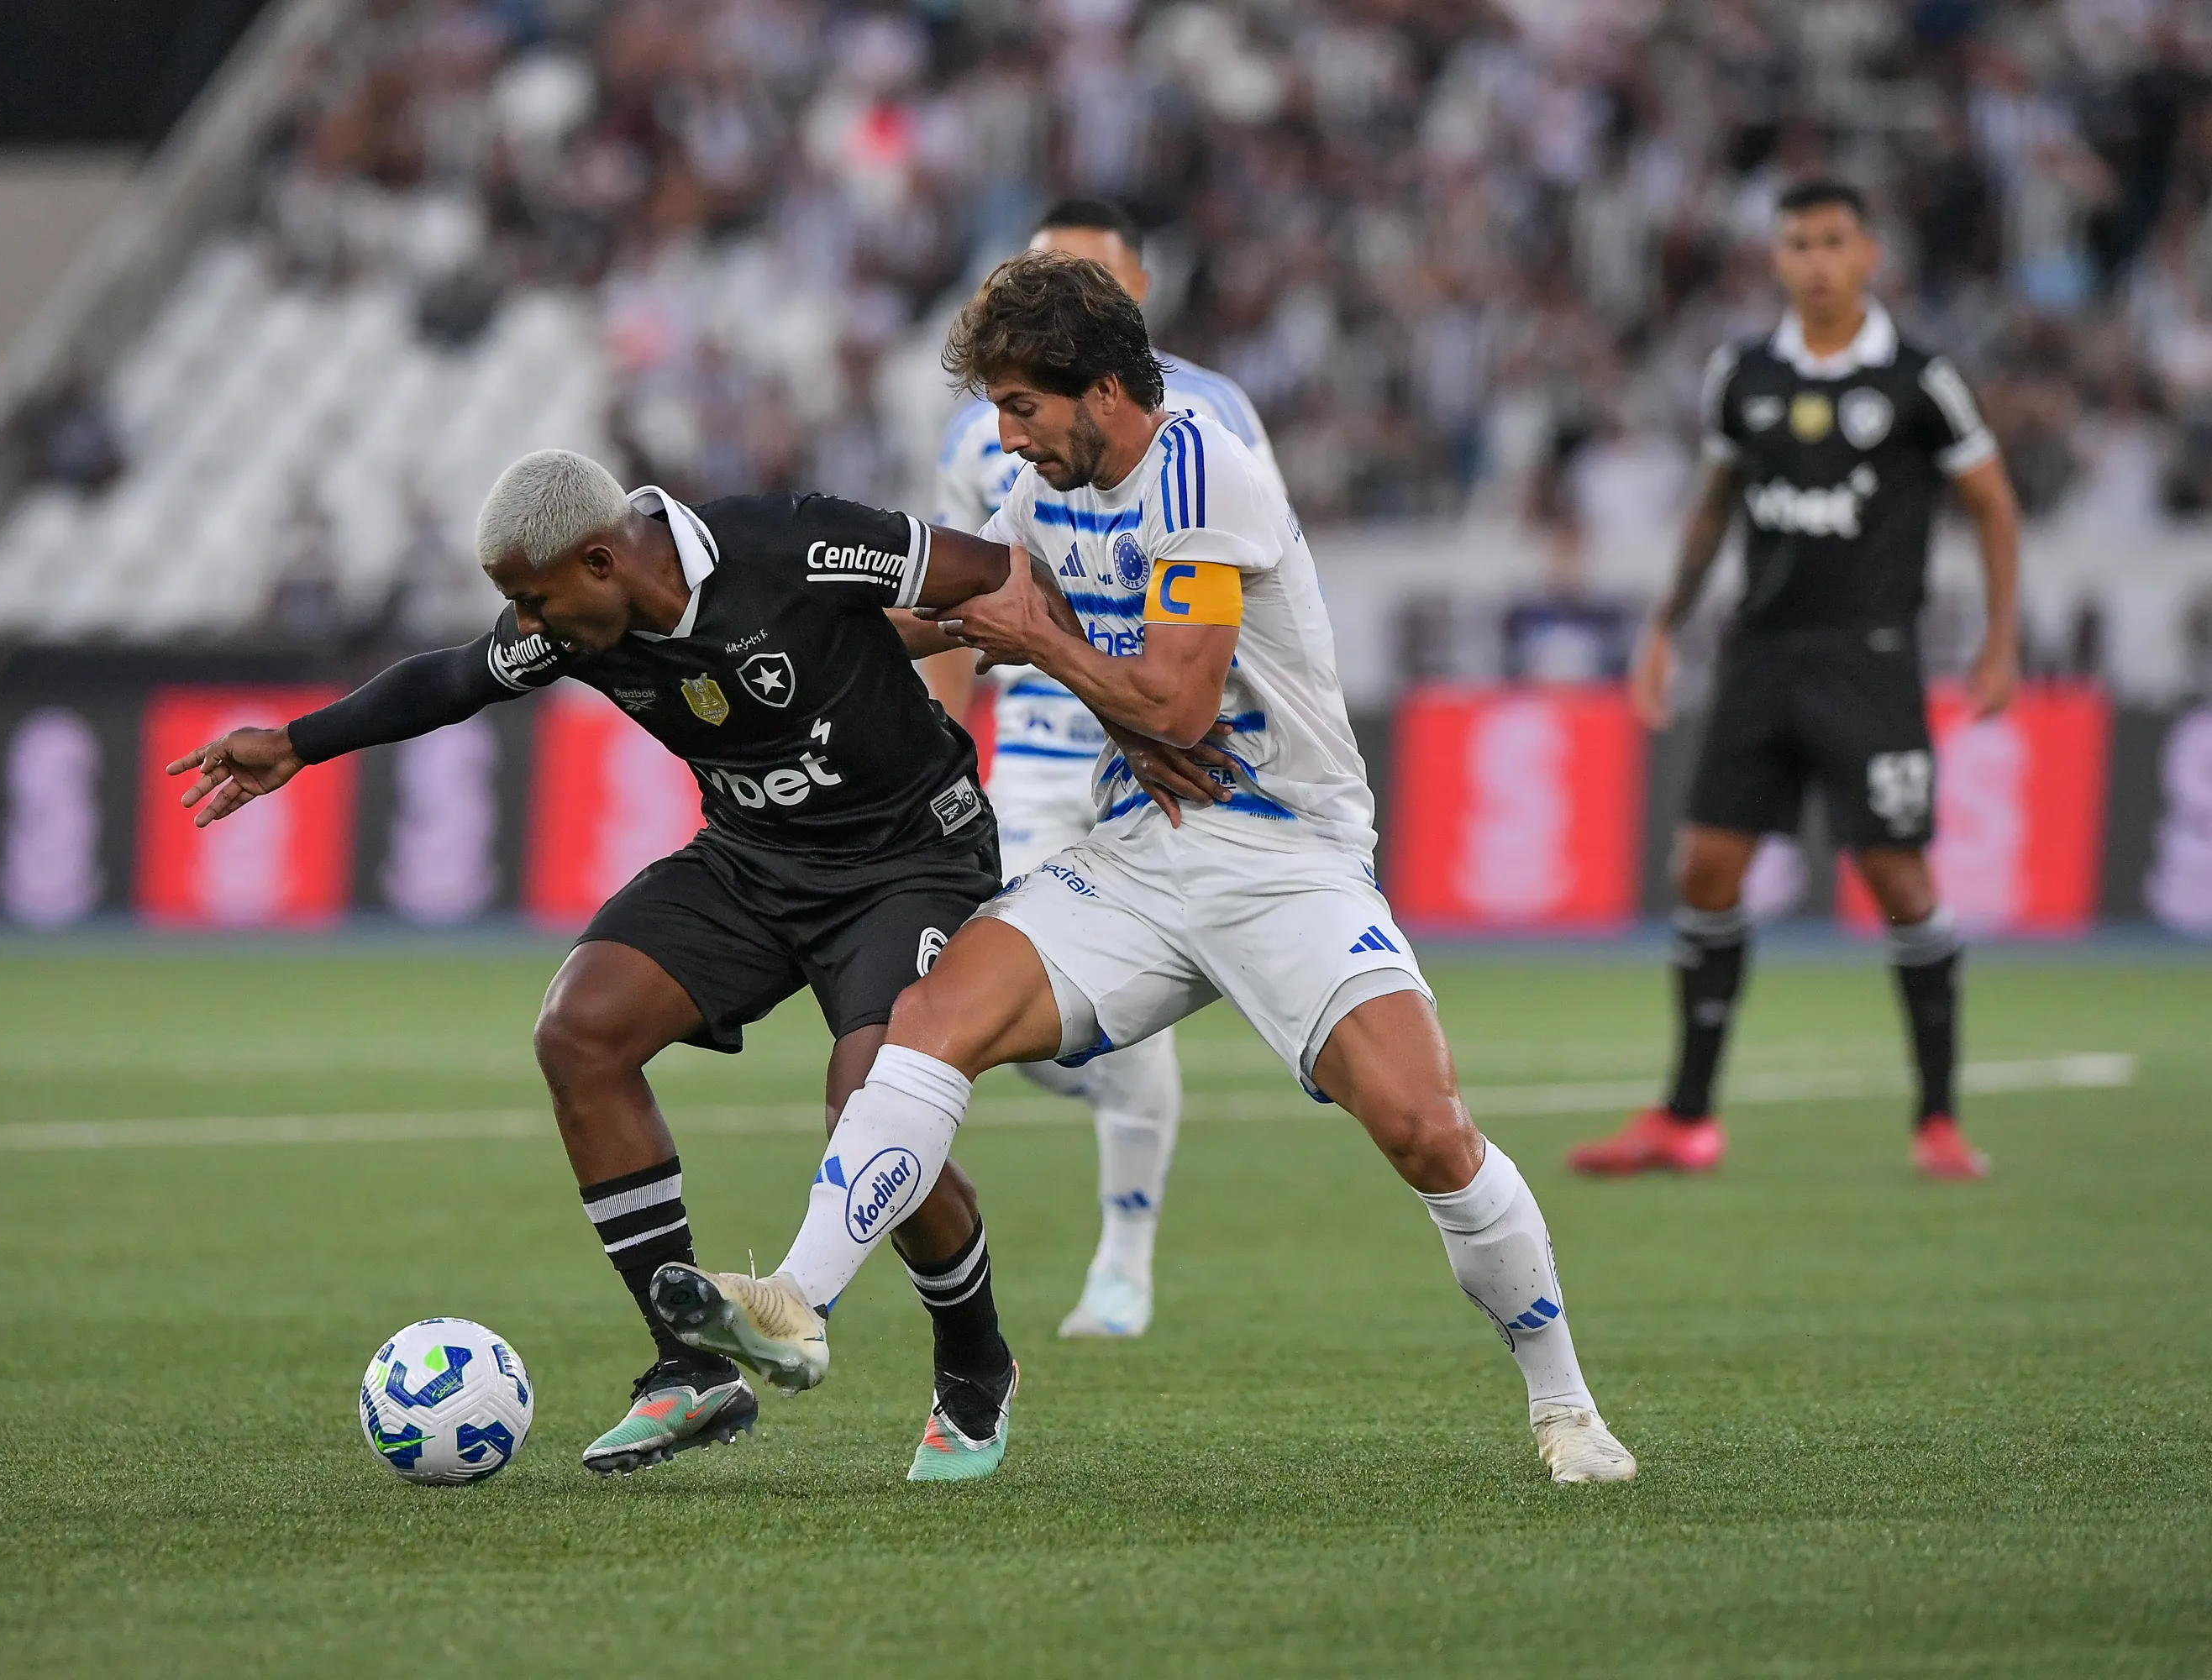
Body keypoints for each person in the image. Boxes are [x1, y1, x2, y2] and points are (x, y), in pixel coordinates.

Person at [651, 252, 1638, 1485]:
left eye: (1021, 407)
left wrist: (1032, 638)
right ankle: (793, 1302)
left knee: (1427, 1131)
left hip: (1285, 857)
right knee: (927, 1022)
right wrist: (747, 623)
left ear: (1102, 390)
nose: (1006, 438)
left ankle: (1568, 1411)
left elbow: (1175, 705)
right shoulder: (1046, 494)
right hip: (1140, 857)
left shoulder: (1202, 470)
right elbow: (953, 615)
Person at [166, 449, 1222, 1481]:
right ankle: (688, 1367)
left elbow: (999, 576)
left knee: (872, 1106)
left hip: (908, 861)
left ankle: (975, 1360)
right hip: (750, 863)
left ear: (599, 561)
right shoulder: (572, 625)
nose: (527, 629)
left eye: (534, 602)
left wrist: (1128, 719)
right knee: (581, 1029)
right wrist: (299, 744)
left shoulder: (791, 542)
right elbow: (452, 678)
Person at [1568, 179, 2021, 1184]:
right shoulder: (1745, 372)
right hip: (1760, 658)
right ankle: (1687, 1117)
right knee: (1704, 870)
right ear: (1777, 259)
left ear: (1867, 255)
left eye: (1831, 241)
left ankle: (1938, 1118)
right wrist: (1663, 626)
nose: (1814, 260)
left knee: (1900, 881)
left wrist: (1999, 643)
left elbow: (1991, 502)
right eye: (1796, 243)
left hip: (1869, 660)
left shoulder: (1918, 377)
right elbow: (1712, 507)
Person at [922, 197, 1283, 1341]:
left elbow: (1253, 587)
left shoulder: (1214, 417)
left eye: (1085, 272)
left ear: (1136, 288)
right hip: (1037, 744)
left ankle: (1124, 1255)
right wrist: (944, 760)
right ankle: (1134, 1081)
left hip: (1168, 748)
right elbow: (957, 599)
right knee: (1021, 1004)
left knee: (1107, 1014)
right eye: (1038, 271)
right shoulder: (984, 433)